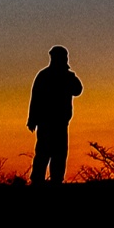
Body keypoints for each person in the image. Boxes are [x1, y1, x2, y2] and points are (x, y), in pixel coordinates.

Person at [27, 46, 83, 184]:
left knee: (57, 154)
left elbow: (78, 90)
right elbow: (36, 98)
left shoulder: (59, 76)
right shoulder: (45, 76)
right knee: (44, 153)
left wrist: (70, 76)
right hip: (48, 122)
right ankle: (39, 180)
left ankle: (55, 180)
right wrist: (32, 119)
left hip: (59, 122)